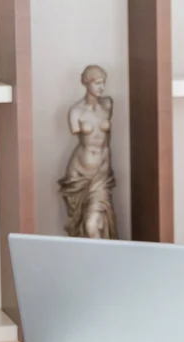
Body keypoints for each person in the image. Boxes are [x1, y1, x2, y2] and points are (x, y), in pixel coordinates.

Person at [59, 64, 118, 239]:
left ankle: (101, 263)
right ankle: (92, 263)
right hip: (79, 175)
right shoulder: (76, 112)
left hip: (101, 175)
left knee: (94, 224)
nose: (101, 87)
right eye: (97, 83)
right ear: (86, 83)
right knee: (84, 226)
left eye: (103, 83)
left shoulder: (107, 104)